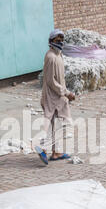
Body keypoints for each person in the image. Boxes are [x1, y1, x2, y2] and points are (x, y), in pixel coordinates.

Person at [35, 29, 75, 165]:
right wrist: (66, 93)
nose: (60, 43)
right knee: (50, 122)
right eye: (57, 40)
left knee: (56, 124)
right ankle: (41, 146)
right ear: (51, 42)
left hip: (59, 96)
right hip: (52, 95)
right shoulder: (51, 57)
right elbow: (51, 81)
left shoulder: (58, 55)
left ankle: (56, 152)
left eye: (61, 40)